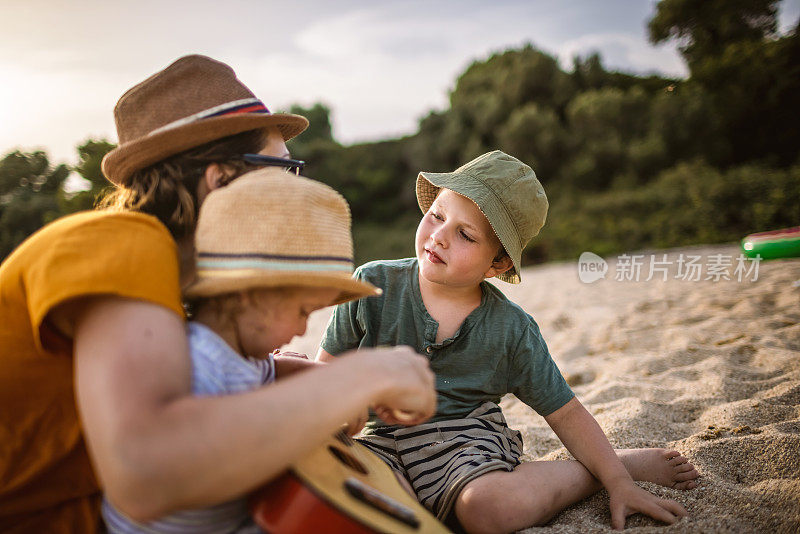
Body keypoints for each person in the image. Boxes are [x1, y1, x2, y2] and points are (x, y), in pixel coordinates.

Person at [0, 55, 435, 533]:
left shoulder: (165, 276)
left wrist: (309, 378)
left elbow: (206, 371)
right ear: (222, 178)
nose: (296, 188)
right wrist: (360, 376)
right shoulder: (124, 242)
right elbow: (144, 471)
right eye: (283, 171)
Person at [318, 151, 700, 533]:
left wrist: (619, 482)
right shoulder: (370, 285)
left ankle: (606, 469)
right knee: (361, 504)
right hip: (377, 441)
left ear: (497, 264)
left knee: (489, 511)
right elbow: (321, 375)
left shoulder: (510, 329)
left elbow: (564, 412)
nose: (439, 236)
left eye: (465, 234)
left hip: (463, 444)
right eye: (436, 215)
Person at [102, 168, 388, 532]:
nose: (303, 329)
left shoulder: (241, 353)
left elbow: (274, 369)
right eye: (302, 312)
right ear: (248, 293)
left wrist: (326, 376)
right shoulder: (199, 363)